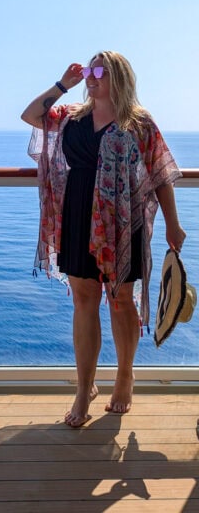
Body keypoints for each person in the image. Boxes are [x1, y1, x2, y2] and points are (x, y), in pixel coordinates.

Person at [21, 51, 186, 427]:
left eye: (101, 72)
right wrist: (64, 83)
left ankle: (125, 376)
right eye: (90, 71)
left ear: (120, 78)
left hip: (124, 220)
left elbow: (161, 175)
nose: (92, 77)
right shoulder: (71, 119)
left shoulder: (139, 124)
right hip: (78, 213)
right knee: (83, 298)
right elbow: (31, 115)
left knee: (121, 299)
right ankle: (84, 388)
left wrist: (173, 226)